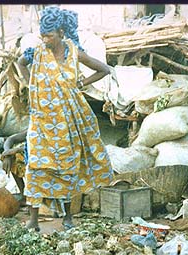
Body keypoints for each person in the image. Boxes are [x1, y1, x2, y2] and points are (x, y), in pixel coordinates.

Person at [8, 6, 113, 231]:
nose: (45, 39)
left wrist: (81, 84)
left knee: (65, 168)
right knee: (36, 166)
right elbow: (20, 64)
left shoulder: (74, 52)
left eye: (50, 35)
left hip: (67, 122)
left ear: (61, 33)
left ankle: (67, 217)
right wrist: (30, 84)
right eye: (43, 35)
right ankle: (33, 221)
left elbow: (104, 69)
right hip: (41, 121)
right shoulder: (35, 52)